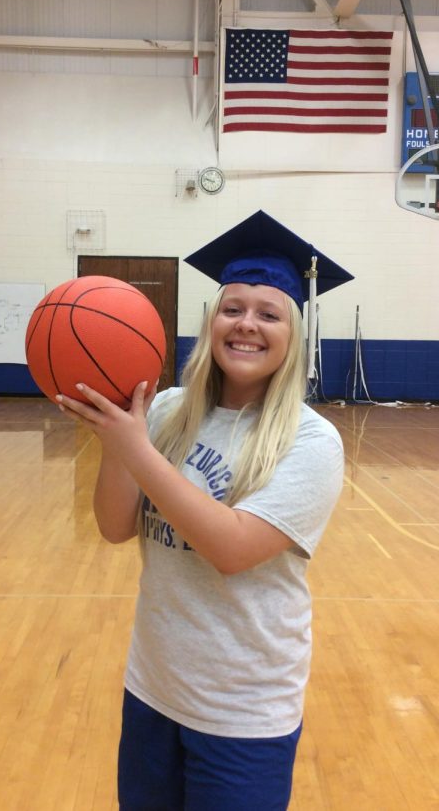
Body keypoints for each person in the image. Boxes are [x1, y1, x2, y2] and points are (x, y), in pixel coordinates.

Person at [57, 210, 352, 811]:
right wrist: (120, 440)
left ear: (294, 333)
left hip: (244, 711)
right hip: (153, 689)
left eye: (269, 314)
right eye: (232, 308)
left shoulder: (311, 441)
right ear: (211, 320)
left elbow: (234, 549)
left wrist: (136, 449)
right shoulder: (166, 411)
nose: (247, 325)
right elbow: (114, 528)